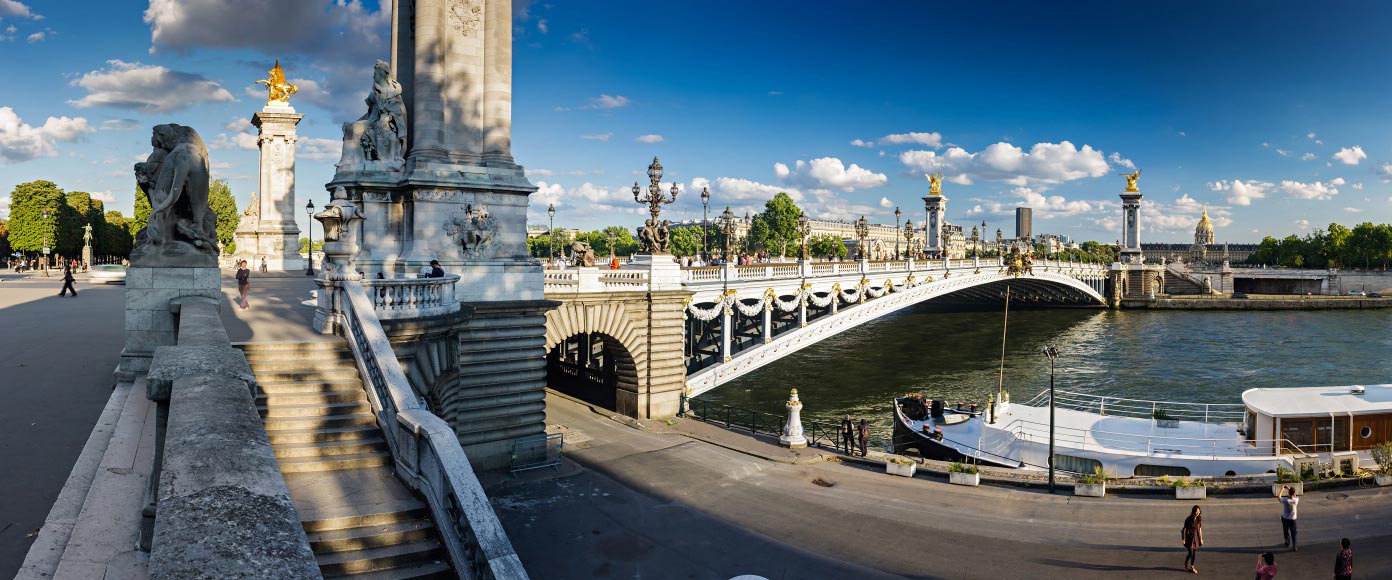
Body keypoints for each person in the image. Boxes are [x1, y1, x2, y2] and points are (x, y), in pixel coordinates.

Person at [1180, 505, 1203, 573]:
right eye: (1196, 511)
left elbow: (1200, 529)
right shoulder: (1188, 519)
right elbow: (1184, 529)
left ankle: (1192, 567)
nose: (1197, 513)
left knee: (1194, 552)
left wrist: (1201, 538)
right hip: (1189, 537)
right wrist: (1183, 539)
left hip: (1196, 537)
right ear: (1193, 511)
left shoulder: (1199, 518)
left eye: (1198, 511)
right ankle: (1186, 562)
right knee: (1190, 553)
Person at [1278, 485, 1299, 551]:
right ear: (1294, 493)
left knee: (1286, 531)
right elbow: (1294, 495)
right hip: (1293, 520)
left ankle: (1287, 543)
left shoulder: (1285, 500)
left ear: (1288, 493)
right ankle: (1295, 547)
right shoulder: (1296, 500)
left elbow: (1279, 497)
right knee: (1294, 533)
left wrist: (1282, 489)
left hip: (1286, 519)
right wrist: (1289, 489)